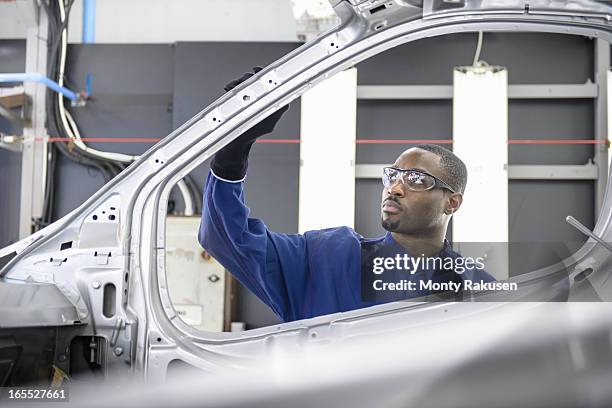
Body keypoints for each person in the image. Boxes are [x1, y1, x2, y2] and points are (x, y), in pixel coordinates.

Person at [199, 69, 495, 322]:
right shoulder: (328, 258)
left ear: (452, 202)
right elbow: (227, 238)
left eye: (415, 179)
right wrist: (233, 150)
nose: (394, 188)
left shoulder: (477, 289)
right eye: (392, 176)